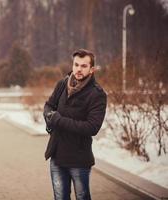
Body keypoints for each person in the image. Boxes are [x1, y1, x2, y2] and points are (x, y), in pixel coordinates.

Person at [43, 49, 107, 200]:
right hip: (57, 155)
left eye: (83, 66)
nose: (78, 69)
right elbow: (48, 106)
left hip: (79, 159)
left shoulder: (97, 94)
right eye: (76, 65)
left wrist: (57, 120)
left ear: (92, 69)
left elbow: (92, 127)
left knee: (82, 197)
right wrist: (49, 120)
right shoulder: (63, 84)